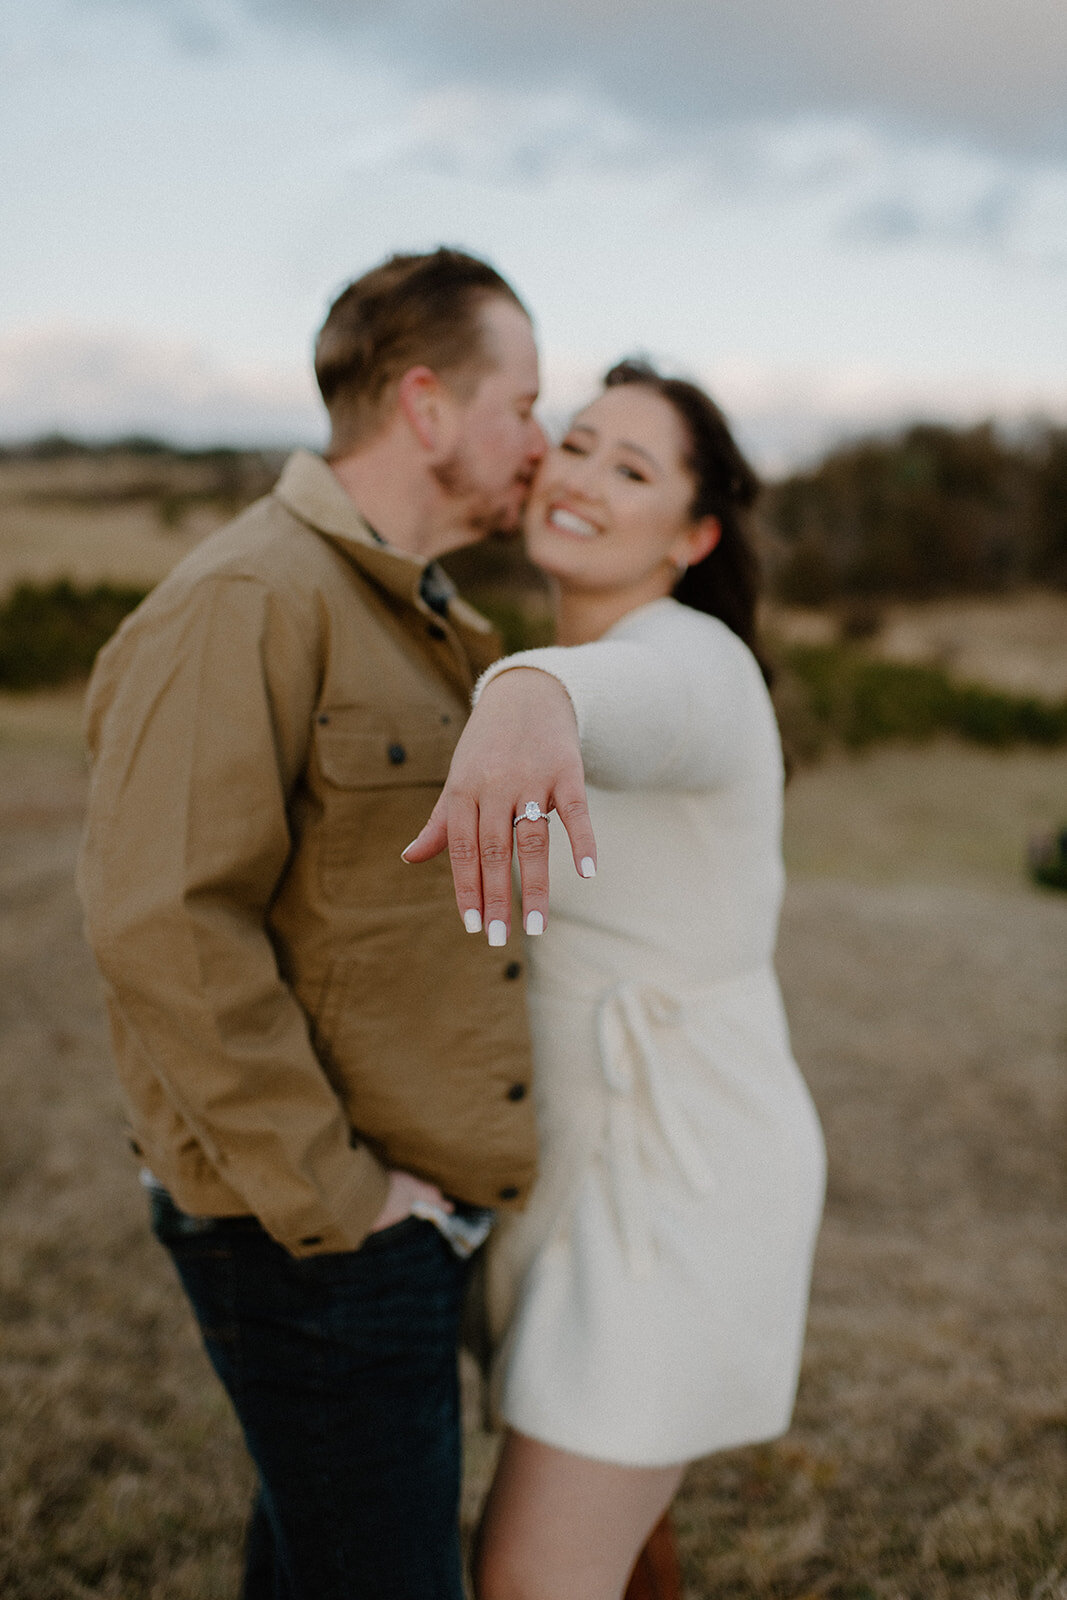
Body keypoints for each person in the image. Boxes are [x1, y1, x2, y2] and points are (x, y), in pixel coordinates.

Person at [76, 247, 549, 1600]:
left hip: (395, 1223)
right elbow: (163, 924)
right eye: (520, 400)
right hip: (313, 1237)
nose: (541, 439)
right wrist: (344, 1202)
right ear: (425, 405)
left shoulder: (416, 612)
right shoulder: (249, 600)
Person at [404, 360, 827, 1600]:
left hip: (680, 1181)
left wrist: (534, 686)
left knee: (530, 1576)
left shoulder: (692, 662)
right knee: (619, 1540)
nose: (583, 475)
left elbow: (642, 699)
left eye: (630, 468)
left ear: (692, 535)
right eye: (576, 443)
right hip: (566, 1172)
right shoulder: (549, 654)